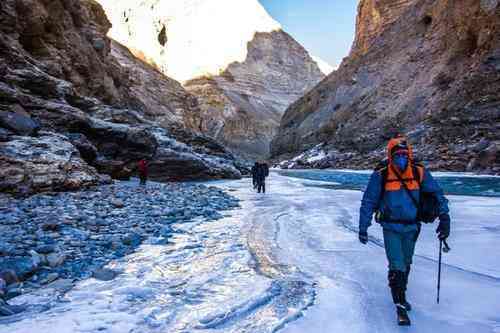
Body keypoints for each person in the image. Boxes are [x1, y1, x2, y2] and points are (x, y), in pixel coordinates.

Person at [358, 135, 450, 326]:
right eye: (397, 154)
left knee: (406, 263)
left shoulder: (419, 172)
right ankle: (399, 305)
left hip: (412, 226)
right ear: (390, 156)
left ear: (408, 154)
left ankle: (401, 292)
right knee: (397, 264)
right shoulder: (382, 174)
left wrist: (445, 218)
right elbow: (369, 201)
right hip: (391, 227)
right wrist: (363, 227)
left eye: (404, 154)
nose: (401, 157)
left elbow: (436, 193)